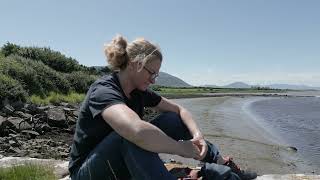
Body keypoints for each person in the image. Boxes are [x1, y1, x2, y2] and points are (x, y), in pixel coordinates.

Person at [68, 35, 257, 180]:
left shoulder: (139, 91)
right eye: (152, 73)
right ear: (135, 64)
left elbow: (180, 111)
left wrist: (197, 135)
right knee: (129, 136)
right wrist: (179, 148)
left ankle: (221, 162)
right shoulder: (103, 91)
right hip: (86, 172)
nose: (153, 80)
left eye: (156, 75)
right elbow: (136, 131)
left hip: (120, 161)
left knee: (173, 119)